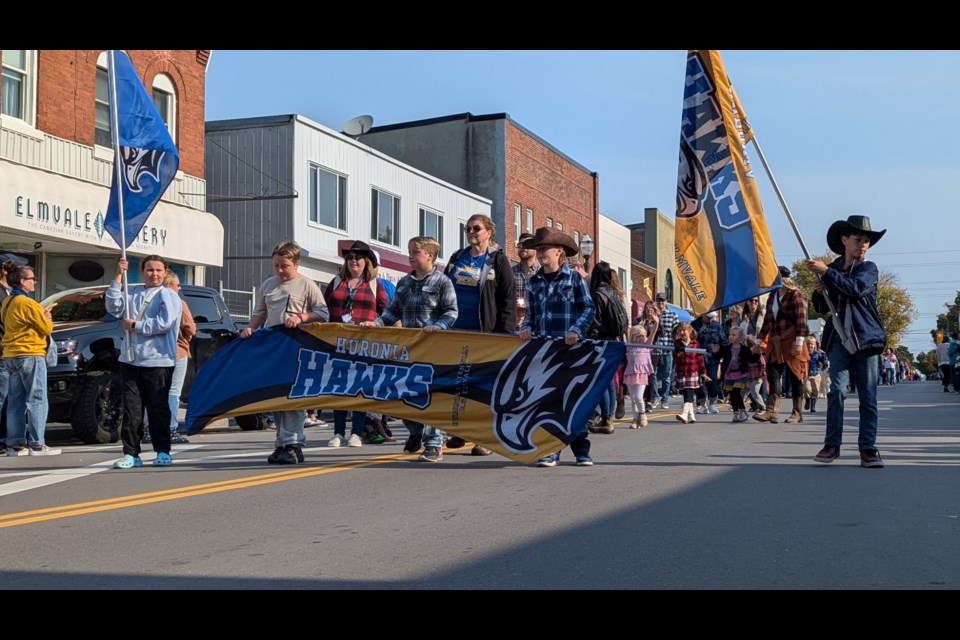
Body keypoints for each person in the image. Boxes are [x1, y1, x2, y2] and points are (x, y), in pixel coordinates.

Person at [360, 236, 457, 463]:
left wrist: (439, 325)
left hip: (433, 348)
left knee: (429, 396)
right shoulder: (404, 282)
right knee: (402, 394)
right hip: (408, 349)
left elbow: (451, 312)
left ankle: (433, 444)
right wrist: (376, 323)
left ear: (430, 255)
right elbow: (392, 311)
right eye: (409, 252)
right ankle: (415, 431)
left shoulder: (443, 282)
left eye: (415, 252)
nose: (410, 256)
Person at [807, 215, 888, 468]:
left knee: (868, 395)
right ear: (845, 240)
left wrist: (828, 274)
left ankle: (868, 448)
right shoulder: (830, 268)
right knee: (837, 390)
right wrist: (818, 290)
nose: (863, 245)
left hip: (866, 337)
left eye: (866, 241)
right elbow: (822, 308)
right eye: (858, 239)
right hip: (839, 337)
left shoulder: (869, 268)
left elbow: (855, 289)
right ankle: (832, 444)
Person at [240, 242, 329, 465]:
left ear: (297, 264)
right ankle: (280, 443)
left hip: (296, 348)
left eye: (285, 266)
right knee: (276, 397)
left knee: (293, 398)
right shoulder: (268, 285)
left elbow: (322, 312)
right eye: (276, 265)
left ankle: (294, 444)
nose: (280, 270)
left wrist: (301, 318)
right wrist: (251, 327)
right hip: (272, 348)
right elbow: (260, 312)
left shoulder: (306, 285)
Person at [519, 227, 596, 467]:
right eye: (538, 249)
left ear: (558, 252)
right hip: (543, 349)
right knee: (547, 400)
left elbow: (587, 308)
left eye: (544, 249)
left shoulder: (574, 278)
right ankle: (551, 450)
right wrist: (526, 328)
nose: (540, 253)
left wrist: (575, 330)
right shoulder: (533, 282)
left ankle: (581, 449)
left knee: (571, 400)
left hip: (570, 350)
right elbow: (532, 314)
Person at [443, 214, 516, 456]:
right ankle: (460, 431)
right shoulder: (457, 257)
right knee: (457, 384)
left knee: (482, 386)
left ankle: (483, 437)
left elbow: (507, 299)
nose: (471, 232)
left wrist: (504, 333)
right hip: (455, 331)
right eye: (468, 228)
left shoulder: (497, 260)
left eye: (476, 228)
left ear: (489, 232)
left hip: (484, 333)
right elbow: (443, 288)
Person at [106, 256, 181, 468]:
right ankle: (131, 454)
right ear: (142, 271)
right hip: (131, 360)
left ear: (165, 272)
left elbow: (165, 323)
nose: (154, 274)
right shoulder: (133, 292)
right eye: (149, 270)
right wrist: (118, 276)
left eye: (158, 270)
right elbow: (114, 307)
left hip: (159, 361)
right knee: (131, 410)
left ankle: (163, 451)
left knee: (158, 409)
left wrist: (137, 326)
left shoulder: (168, 295)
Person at [323, 240, 388, 448]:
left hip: (364, 343)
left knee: (359, 387)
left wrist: (377, 323)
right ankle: (338, 432)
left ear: (366, 261)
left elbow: (388, 311)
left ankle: (357, 432)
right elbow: (323, 310)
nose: (353, 261)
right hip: (337, 343)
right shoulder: (336, 282)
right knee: (339, 388)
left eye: (358, 257)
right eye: (349, 257)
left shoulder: (375, 284)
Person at [1, 264, 60, 456]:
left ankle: (15, 444)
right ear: (22, 281)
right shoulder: (28, 303)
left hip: (10, 354)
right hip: (31, 353)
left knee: (15, 401)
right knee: (37, 399)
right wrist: (47, 316)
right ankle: (37, 444)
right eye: (32, 279)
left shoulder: (8, 301)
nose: (35, 281)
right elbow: (46, 329)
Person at [755, 266, 809, 424]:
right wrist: (759, 341)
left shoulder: (795, 295)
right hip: (775, 340)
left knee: (795, 376)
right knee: (773, 374)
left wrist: (799, 342)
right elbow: (767, 321)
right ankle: (771, 411)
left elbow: (801, 320)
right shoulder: (772, 296)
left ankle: (797, 413)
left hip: (792, 340)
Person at [586, 261, 628, 434]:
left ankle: (605, 418)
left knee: (600, 380)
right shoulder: (614, 293)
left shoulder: (598, 294)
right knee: (609, 380)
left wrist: (590, 337)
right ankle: (608, 417)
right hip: (613, 339)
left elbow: (596, 320)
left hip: (600, 340)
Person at [155, 272, 195, 445]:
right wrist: (187, 338)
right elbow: (189, 327)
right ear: (170, 285)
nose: (179, 288)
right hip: (177, 351)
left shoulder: (153, 302)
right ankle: (171, 428)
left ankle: (150, 429)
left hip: (156, 353)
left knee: (156, 393)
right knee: (173, 392)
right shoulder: (179, 303)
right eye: (177, 284)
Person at [0, 253, 29, 456]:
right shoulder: (4, 295)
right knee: (3, 397)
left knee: (11, 398)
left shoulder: (10, 294)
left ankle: (7, 438)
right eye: (17, 269)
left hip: (10, 353)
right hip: (4, 352)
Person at [712, 326, 760, 422]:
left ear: (740, 337)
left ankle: (742, 411)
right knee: (732, 394)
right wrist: (715, 352)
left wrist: (756, 353)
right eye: (730, 334)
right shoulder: (726, 348)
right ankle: (736, 412)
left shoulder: (745, 349)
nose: (731, 336)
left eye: (733, 335)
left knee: (736, 392)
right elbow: (717, 357)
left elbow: (751, 360)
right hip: (729, 374)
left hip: (740, 374)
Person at [672, 321, 707, 424]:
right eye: (680, 330)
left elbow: (700, 359)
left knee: (689, 393)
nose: (682, 332)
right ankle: (691, 416)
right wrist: (678, 355)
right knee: (685, 394)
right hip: (681, 372)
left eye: (684, 330)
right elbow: (675, 356)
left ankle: (684, 413)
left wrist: (702, 372)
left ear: (690, 331)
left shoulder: (695, 344)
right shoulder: (677, 343)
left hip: (692, 372)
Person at [695, 310, 726, 414]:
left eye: (712, 317)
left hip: (713, 357)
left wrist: (720, 352)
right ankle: (702, 404)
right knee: (699, 381)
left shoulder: (717, 326)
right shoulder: (694, 324)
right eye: (709, 317)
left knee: (712, 380)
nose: (711, 319)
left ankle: (712, 402)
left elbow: (723, 341)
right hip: (698, 357)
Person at [623, 325, 655, 428]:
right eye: (639, 336)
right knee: (633, 398)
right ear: (633, 337)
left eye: (643, 336)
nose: (642, 338)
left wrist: (656, 323)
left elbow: (652, 334)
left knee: (638, 396)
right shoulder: (629, 346)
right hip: (631, 373)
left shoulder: (646, 346)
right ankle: (635, 419)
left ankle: (642, 413)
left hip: (642, 373)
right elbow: (627, 331)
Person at [652, 292, 679, 410]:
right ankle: (654, 397)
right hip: (655, 349)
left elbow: (676, 332)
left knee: (666, 377)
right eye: (658, 300)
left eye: (662, 301)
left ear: (666, 302)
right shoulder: (653, 315)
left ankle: (665, 400)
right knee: (652, 374)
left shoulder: (672, 315)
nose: (660, 303)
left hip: (667, 349)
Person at [805, 336, 828, 413]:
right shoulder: (804, 353)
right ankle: (807, 399)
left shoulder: (818, 353)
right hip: (806, 374)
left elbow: (824, 361)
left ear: (815, 345)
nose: (809, 346)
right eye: (808, 344)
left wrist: (824, 355)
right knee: (807, 388)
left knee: (816, 390)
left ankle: (813, 405)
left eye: (811, 344)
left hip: (816, 374)